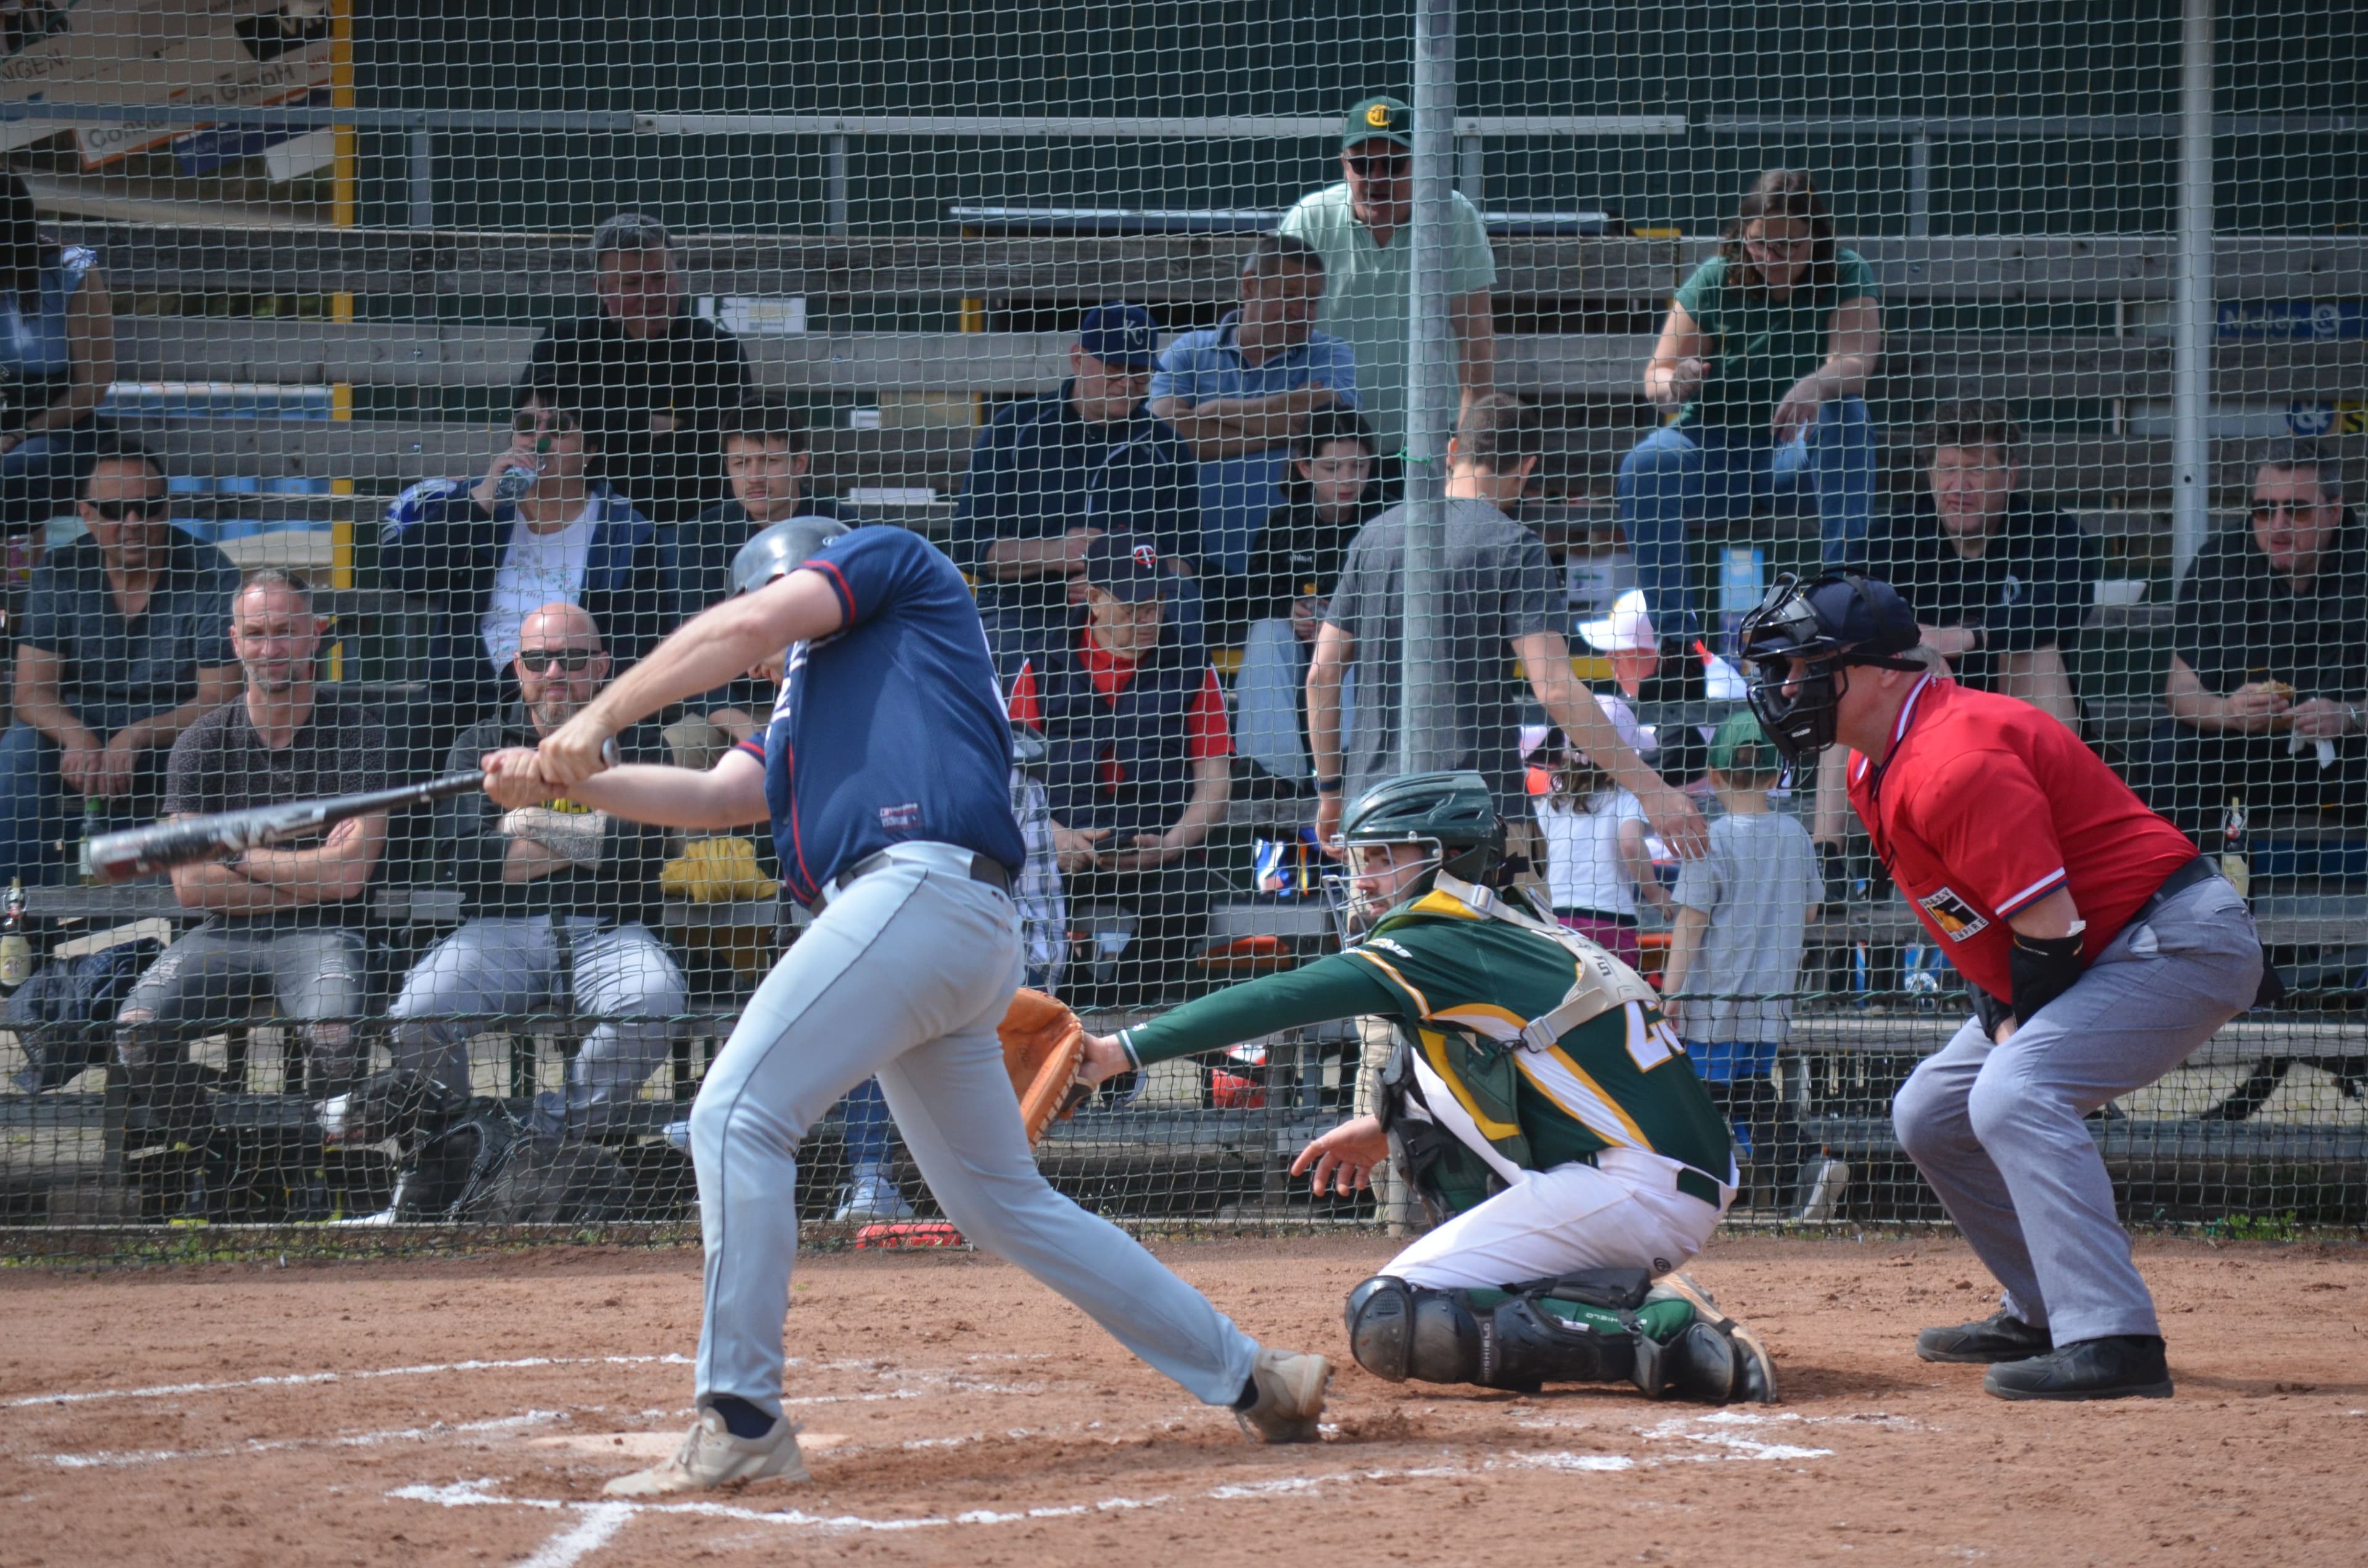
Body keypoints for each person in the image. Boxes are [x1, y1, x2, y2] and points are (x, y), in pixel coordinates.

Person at [485, 517, 1331, 1494]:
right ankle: (1255, 1374)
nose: (756, 657)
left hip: (918, 894)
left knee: (735, 1113)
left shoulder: (891, 567)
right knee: (1002, 1202)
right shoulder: (808, 711)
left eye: (766, 617)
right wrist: (571, 776)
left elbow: (749, 623)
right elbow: (718, 797)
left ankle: (741, 1416)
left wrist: (594, 720)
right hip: (942, 924)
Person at [1738, 571, 2276, 1400]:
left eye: (1808, 666)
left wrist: (2019, 1034)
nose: (1786, 688)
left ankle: (2115, 1337)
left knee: (2014, 1090)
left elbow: (2050, 926)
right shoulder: (1873, 765)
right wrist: (2001, 1017)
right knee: (1929, 1112)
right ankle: (2045, 1307)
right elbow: (1968, 918)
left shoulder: (1955, 755)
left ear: (1882, 670)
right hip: (2094, 945)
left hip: (2172, 940)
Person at [1075, 770, 1774, 1405]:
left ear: (1451, 857)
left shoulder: (1443, 936)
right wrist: (1387, 1123)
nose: (1366, 877)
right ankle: (1606, 1290)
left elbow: (1282, 997)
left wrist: (1121, 1050)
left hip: (1636, 1190)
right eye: (1363, 858)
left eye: (1386, 857)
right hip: (1663, 1174)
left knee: (1390, 1315)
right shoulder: (1507, 921)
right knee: (1406, 1097)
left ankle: (1659, 1329)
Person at [1310, 393, 1708, 866]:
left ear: (1453, 450)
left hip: (1374, 809)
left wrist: (1330, 792)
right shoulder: (1514, 546)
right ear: (1527, 466)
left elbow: (1322, 675)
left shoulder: (1373, 537)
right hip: (1474, 809)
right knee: (1517, 914)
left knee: (1388, 920)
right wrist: (1652, 788)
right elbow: (1555, 688)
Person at [113, 572, 390, 1220]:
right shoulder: (200, 742)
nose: (271, 648)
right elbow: (188, 884)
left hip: (329, 930)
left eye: (286, 631)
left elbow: (350, 878)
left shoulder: (360, 730)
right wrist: (310, 864)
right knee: (136, 1033)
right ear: (235, 641)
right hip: (221, 935)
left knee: (334, 1034)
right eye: (257, 633)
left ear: (315, 635)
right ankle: (220, 1155)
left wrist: (235, 856)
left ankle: (317, 1162)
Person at [383, 602, 685, 1151]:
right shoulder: (480, 745)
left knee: (656, 1000)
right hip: (497, 932)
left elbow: (638, 849)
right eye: (539, 660)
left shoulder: (639, 741)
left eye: (573, 660)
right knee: (417, 1011)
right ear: (518, 667)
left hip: (608, 932)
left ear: (602, 666)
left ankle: (546, 1136)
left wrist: (523, 821)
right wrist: (594, 834)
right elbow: (466, 859)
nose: (555, 673)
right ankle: (462, 1144)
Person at [1618, 170, 1883, 651]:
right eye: (1760, 244)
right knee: (1645, 465)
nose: (1772, 258)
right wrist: (1677, 382)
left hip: (1795, 459)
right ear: (1743, 235)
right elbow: (1656, 376)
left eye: (1789, 246)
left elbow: (1856, 362)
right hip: (1716, 455)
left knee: (1846, 414)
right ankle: (1678, 645)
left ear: (1816, 237)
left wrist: (1814, 385)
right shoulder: (1717, 277)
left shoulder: (1846, 271)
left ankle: (1843, 601)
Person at [1003, 532, 1233, 1004]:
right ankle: (1067, 1007)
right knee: (1009, 896)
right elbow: (1008, 781)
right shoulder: (1041, 665)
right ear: (1094, 599)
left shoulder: (1192, 664)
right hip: (1061, 851)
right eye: (1135, 608)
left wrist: (1170, 846)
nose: (1151, 619)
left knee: (1187, 898)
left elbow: (1215, 781)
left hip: (1155, 850)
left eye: (1158, 604)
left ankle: (1122, 1012)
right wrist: (1052, 837)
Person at [0, 439, 240, 885]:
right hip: (80, 723)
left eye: (147, 508)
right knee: (19, 753)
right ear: (86, 513)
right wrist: (76, 736)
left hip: (176, 731)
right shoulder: (61, 569)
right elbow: (31, 691)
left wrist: (136, 735)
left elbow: (221, 697)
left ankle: (200, 909)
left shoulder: (211, 572)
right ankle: (19, 911)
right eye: (113, 510)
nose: (132, 523)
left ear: (167, 508)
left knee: (217, 750)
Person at [378, 397, 675, 731]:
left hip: (568, 707)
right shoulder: (481, 505)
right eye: (527, 426)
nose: (539, 440)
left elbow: (633, 647)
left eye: (559, 428)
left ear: (590, 450)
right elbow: (406, 573)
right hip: (465, 702)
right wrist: (482, 498)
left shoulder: (624, 531)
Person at [2137, 440, 2367, 843]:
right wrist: (2228, 711)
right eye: (2264, 510)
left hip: (2349, 754)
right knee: (2167, 747)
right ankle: (2182, 880)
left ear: (2334, 511)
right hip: (2245, 755)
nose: (2278, 525)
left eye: (2296, 510)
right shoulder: (2220, 564)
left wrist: (2349, 715)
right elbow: (2180, 689)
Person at [1657, 710, 1838, 1219]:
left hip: (1713, 1003)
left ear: (1713, 776)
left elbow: (1691, 922)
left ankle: (1694, 1195)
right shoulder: (1795, 834)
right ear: (1776, 774)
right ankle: (1803, 1171)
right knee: (1750, 1095)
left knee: (1706, 1099)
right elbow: (1810, 909)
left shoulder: (1708, 839)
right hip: (1770, 1000)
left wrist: (1670, 994)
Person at [950, 302, 1201, 636]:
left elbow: (1187, 561)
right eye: (1115, 368)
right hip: (1023, 610)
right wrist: (1056, 552)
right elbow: (968, 546)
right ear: (1078, 359)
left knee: (1185, 606)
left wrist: (1121, 581)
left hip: (1133, 614)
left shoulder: (1166, 446)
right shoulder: (1015, 429)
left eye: (1141, 373)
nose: (1128, 384)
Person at [1278, 95, 1497, 471]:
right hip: (1327, 448)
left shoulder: (1455, 217)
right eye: (1363, 164)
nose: (1377, 177)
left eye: (1393, 164)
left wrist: (1468, 447)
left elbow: (1475, 336)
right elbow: (1274, 329)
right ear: (1344, 165)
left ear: (1421, 164)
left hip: (1428, 444)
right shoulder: (1308, 219)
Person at [1860, 402, 2097, 729]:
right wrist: (1914, 643)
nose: (1959, 487)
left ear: (2009, 476)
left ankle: (2043, 766)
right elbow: (1850, 605)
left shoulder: (2049, 532)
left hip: (2012, 711)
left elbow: (2063, 603)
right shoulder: (1893, 537)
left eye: (1976, 470)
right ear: (1930, 473)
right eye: (1947, 469)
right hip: (1919, 714)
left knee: (2033, 651)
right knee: (1856, 667)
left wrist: (1970, 636)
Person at [517, 212, 752, 523]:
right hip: (585, 518)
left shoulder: (717, 349)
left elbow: (718, 446)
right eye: (632, 283)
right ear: (601, 288)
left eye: (661, 278)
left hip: (689, 520)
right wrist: (648, 424)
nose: (651, 294)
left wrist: (601, 425)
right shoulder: (564, 343)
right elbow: (535, 426)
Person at [1147, 234, 1358, 578]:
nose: (1302, 312)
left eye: (1312, 301)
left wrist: (1217, 410)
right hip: (1193, 557)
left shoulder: (1330, 353)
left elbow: (1328, 423)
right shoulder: (1190, 351)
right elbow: (1165, 434)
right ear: (1250, 287)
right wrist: (1287, 428)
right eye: (1288, 296)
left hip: (1293, 562)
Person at [0, 173, 115, 528]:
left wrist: (20, 434)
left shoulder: (69, 271)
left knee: (12, 474)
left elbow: (93, 385)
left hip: (61, 426)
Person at [673, 394, 844, 622]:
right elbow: (700, 630)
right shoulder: (701, 536)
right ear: (727, 467)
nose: (754, 477)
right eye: (741, 463)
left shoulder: (843, 529)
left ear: (800, 464)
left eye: (770, 461)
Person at [1219, 405, 1382, 642]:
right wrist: (1290, 611)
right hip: (1295, 643)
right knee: (1269, 630)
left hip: (1363, 642)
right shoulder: (1282, 526)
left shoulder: (1387, 520)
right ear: (1305, 468)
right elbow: (1256, 600)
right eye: (1332, 468)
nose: (1347, 479)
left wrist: (1344, 621)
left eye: (1358, 466)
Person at [1529, 695, 1669, 969]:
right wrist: (1654, 893)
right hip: (1608, 919)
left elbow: (1537, 849)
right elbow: (1631, 843)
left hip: (1555, 916)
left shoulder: (1555, 798)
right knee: (1616, 991)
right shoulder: (1627, 795)